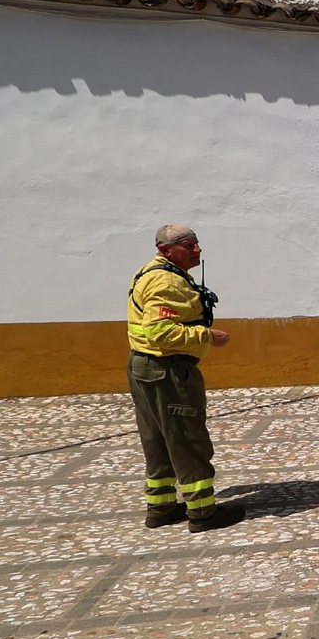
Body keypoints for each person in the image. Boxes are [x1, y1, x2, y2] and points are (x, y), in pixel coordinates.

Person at [126, 225, 245, 533]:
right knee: (185, 438)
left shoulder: (151, 272)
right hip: (169, 370)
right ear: (166, 250)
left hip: (144, 367)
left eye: (196, 244)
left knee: (158, 439)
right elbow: (161, 332)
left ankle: (162, 507)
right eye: (188, 245)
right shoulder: (166, 282)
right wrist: (207, 336)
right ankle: (203, 511)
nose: (197, 250)